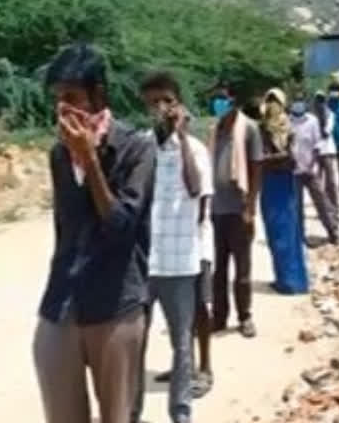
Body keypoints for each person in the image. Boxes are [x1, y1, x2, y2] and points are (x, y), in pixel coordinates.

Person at [33, 44, 156, 423]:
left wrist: (90, 159)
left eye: (72, 98)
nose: (63, 108)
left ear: (98, 96)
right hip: (63, 301)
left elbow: (121, 227)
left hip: (115, 304)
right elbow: (65, 229)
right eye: (58, 99)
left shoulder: (136, 149)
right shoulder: (59, 154)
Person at [139, 71, 214, 423]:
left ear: (178, 104)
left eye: (166, 101)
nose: (160, 109)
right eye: (153, 103)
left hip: (180, 264)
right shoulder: (141, 147)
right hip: (142, 263)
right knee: (132, 343)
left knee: (181, 345)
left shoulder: (196, 149)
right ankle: (129, 411)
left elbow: (195, 189)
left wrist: (181, 139)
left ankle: (180, 414)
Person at [208, 83, 263, 338]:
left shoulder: (248, 129)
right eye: (215, 99)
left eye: (222, 99)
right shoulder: (215, 130)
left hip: (239, 209)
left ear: (233, 101)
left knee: (242, 269)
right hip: (217, 210)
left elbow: (256, 169)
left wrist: (250, 208)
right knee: (218, 270)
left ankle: (245, 316)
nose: (218, 103)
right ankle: (219, 317)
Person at [258, 88, 308, 294]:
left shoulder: (276, 129)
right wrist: (280, 158)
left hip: (277, 182)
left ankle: (289, 281)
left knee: (284, 230)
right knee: (281, 230)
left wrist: (269, 160)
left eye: (273, 101)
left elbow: (268, 158)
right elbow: (288, 158)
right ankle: (287, 278)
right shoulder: (274, 128)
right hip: (279, 182)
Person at [290, 91, 339, 245]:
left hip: (310, 170)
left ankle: (333, 231)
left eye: (301, 101)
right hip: (293, 171)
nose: (298, 104)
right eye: (296, 101)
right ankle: (299, 236)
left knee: (321, 201)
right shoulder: (287, 122)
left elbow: (317, 145)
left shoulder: (312, 121)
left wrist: (311, 164)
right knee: (296, 206)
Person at [313, 91, 339, 211]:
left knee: (331, 182)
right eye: (318, 100)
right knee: (317, 183)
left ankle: (334, 207)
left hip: (327, 151)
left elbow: (325, 133)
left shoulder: (330, 115)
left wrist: (320, 119)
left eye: (321, 100)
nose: (319, 103)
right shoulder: (312, 117)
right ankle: (322, 207)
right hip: (316, 152)